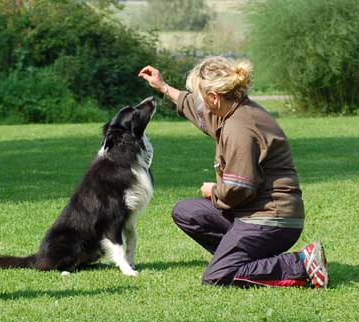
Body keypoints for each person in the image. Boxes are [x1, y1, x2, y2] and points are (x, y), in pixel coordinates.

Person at [138, 56, 328, 288]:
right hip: (254, 212)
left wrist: (214, 191)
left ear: (214, 97)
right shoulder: (233, 109)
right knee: (186, 211)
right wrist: (163, 87)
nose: (199, 102)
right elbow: (197, 110)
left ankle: (301, 264)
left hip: (271, 219)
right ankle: (241, 259)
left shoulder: (238, 128)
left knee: (217, 276)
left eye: (201, 96)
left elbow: (240, 188)